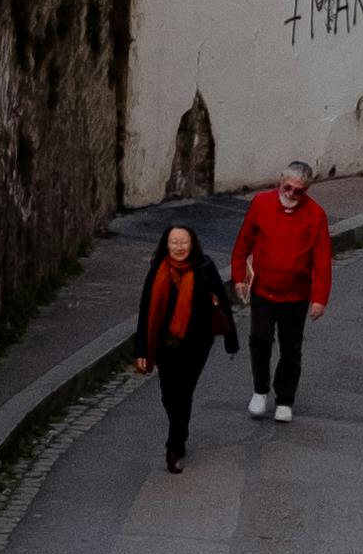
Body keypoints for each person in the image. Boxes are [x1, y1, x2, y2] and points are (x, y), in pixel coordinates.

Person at [232, 158, 333, 422]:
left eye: (298, 191)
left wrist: (319, 298)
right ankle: (260, 390)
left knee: (290, 347)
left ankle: (285, 399)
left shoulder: (315, 215)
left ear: (306, 191)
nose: (290, 195)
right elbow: (243, 241)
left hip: (296, 294)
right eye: (287, 188)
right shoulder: (261, 203)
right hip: (263, 289)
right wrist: (238, 277)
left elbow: (322, 260)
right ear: (280, 182)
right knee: (260, 340)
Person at [131, 215, 237, 467]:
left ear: (192, 244)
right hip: (165, 343)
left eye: (183, 242)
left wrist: (230, 339)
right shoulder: (158, 269)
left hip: (197, 343)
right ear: (166, 245)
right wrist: (142, 349)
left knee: (184, 392)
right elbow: (146, 311)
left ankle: (174, 444)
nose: (179, 247)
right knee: (169, 395)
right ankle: (180, 433)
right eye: (174, 242)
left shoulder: (204, 267)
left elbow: (223, 301)